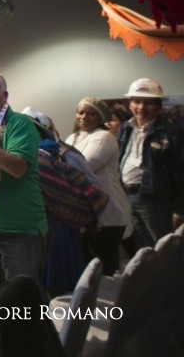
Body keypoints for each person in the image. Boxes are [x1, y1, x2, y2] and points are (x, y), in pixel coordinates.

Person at [0, 69, 48, 304]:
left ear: (5, 96)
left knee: (24, 300)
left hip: (19, 230)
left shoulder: (20, 124)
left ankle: (37, 330)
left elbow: (17, 168)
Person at [65, 97, 132, 275]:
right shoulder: (73, 137)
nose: (84, 117)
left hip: (109, 211)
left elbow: (83, 166)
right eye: (81, 112)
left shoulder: (104, 137)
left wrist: (57, 164)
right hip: (90, 212)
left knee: (106, 265)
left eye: (91, 114)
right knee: (91, 267)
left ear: (100, 118)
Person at [117, 78, 184, 248]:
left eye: (148, 103)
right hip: (127, 196)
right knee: (143, 250)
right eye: (137, 101)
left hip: (156, 201)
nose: (141, 107)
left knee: (164, 249)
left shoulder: (171, 133)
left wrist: (179, 211)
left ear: (159, 107)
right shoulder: (125, 128)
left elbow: (180, 172)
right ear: (130, 104)